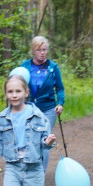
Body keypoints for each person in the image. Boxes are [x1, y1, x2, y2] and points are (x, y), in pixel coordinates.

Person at [20, 36, 65, 177]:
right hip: (29, 108)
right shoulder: (25, 66)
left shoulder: (53, 68)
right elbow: (17, 85)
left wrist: (60, 103)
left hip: (48, 109)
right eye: (39, 50)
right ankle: (29, 170)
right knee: (30, 139)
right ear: (33, 51)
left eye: (45, 50)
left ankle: (40, 175)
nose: (42, 53)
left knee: (45, 140)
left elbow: (60, 88)